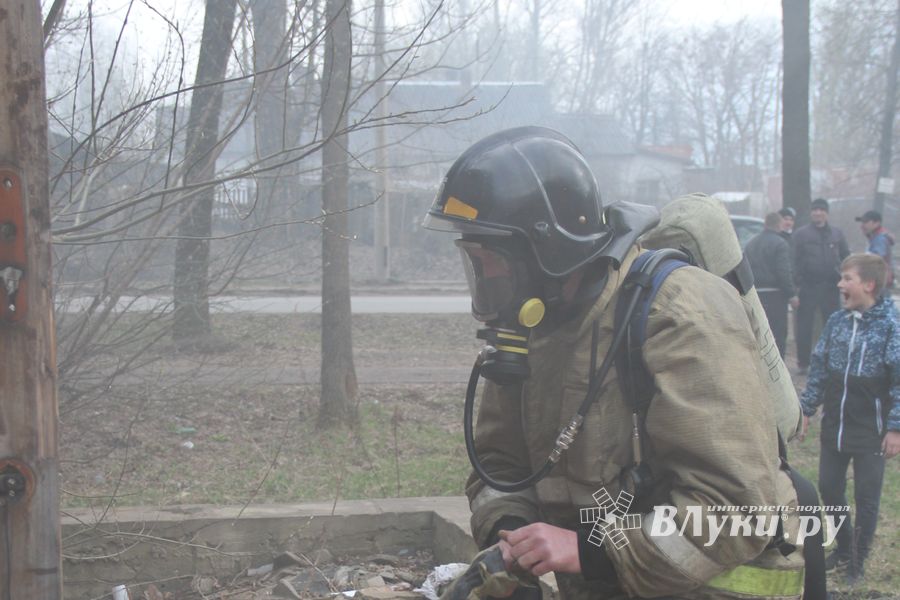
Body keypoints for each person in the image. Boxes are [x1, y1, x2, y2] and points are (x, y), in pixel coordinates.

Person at [424, 127, 805, 600]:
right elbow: (498, 465)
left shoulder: (683, 313)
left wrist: (588, 551)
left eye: (492, 258)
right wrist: (512, 541)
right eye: (475, 260)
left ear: (546, 249)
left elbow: (735, 511)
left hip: (726, 584)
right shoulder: (531, 324)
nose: (486, 276)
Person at [799, 253, 900, 584]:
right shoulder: (837, 321)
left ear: (868, 285)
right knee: (829, 488)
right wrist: (806, 409)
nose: (840, 284)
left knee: (867, 499)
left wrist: (896, 428)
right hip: (835, 426)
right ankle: (842, 550)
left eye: (847, 278)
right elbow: (820, 366)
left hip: (870, 430)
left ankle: (856, 562)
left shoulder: (891, 327)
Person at [792, 198, 850, 374]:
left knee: (833, 325)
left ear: (826, 213)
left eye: (821, 210)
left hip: (831, 287)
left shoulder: (837, 234)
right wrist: (796, 284)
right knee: (804, 326)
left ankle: (833, 361)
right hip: (808, 286)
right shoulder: (801, 234)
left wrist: (845, 279)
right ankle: (803, 363)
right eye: (815, 210)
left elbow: (846, 257)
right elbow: (793, 260)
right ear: (811, 213)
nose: (818, 213)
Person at [745, 212, 798, 357]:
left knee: (758, 332)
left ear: (765, 224)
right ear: (779, 225)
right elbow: (783, 272)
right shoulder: (780, 243)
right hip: (776, 295)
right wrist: (792, 294)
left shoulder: (751, 243)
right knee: (777, 334)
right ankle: (777, 367)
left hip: (755, 294)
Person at [855, 209, 894, 293]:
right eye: (862, 222)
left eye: (865, 222)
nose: (862, 226)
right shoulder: (874, 238)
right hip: (878, 282)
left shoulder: (879, 239)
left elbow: (874, 260)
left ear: (877, 223)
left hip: (879, 283)